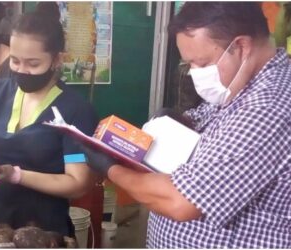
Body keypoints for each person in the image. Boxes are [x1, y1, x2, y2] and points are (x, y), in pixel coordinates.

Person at [81, 2, 291, 248]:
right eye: (189, 64)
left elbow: (181, 201)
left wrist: (110, 169)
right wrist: (179, 122)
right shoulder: (240, 85)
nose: (194, 73)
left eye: (201, 63)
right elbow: (209, 127)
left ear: (241, 46)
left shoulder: (269, 107)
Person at [0, 9, 99, 237]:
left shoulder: (75, 110)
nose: (21, 70)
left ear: (56, 59)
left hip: (44, 230)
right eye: (15, 61)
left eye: (33, 64)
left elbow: (79, 183)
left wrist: (19, 175)